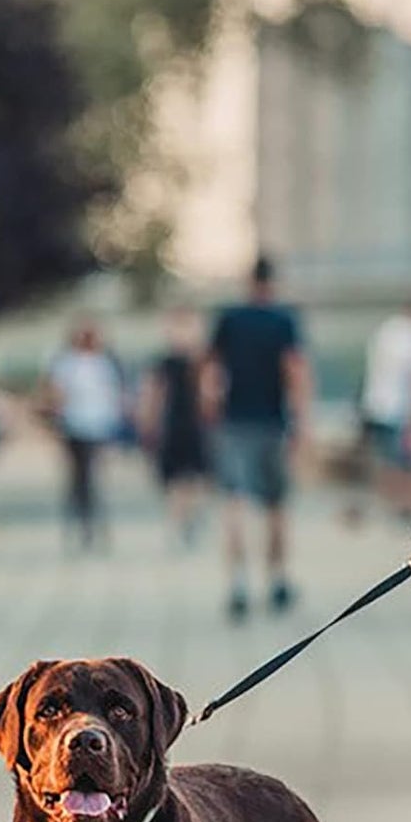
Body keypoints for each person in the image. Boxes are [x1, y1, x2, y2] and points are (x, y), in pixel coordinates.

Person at [204, 254, 311, 619]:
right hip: (273, 422)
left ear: (247, 281)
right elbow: (294, 371)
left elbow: (212, 372)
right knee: (276, 505)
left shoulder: (229, 319)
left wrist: (211, 409)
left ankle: (237, 584)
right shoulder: (284, 320)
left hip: (235, 421)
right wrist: (301, 421)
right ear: (273, 281)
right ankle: (277, 580)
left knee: (234, 502)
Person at [42, 320, 127, 550]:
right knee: (77, 479)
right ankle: (79, 524)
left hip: (99, 426)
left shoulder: (106, 362)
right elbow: (55, 394)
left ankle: (94, 526)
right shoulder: (66, 363)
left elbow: (116, 394)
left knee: (94, 478)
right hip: (74, 425)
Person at [137, 303, 211, 546]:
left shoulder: (201, 362)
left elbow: (210, 394)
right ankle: (179, 522)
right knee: (176, 481)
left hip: (194, 425)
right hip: (173, 426)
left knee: (195, 479)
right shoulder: (165, 364)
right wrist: (148, 424)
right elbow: (152, 395)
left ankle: (188, 519)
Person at [355, 298, 411, 520]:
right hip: (401, 407)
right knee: (408, 460)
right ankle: (406, 506)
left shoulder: (386, 330)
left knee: (386, 458)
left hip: (376, 404)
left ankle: (391, 503)